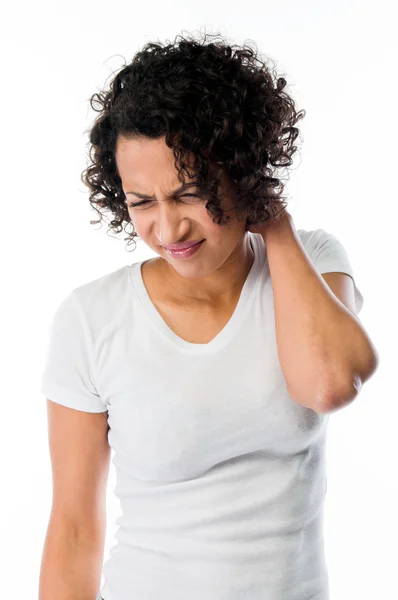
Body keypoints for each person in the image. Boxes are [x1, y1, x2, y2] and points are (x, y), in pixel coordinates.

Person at [39, 31, 367, 600]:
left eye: (190, 194)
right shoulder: (92, 318)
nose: (168, 231)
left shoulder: (311, 262)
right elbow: (73, 530)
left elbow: (329, 384)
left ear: (243, 174)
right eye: (142, 202)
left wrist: (277, 227)